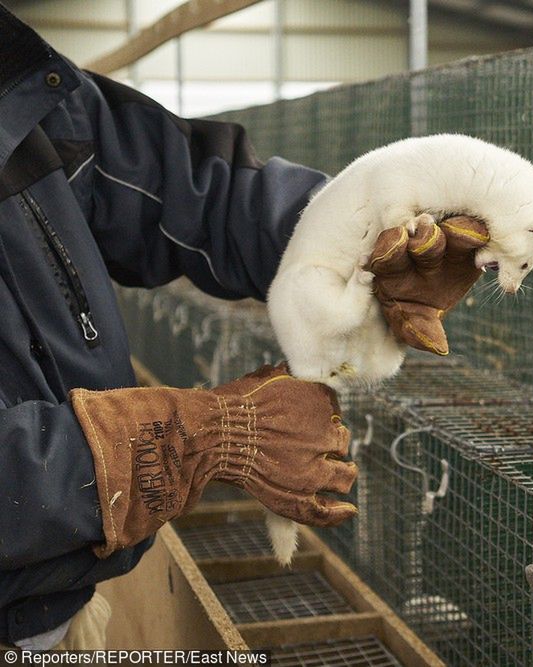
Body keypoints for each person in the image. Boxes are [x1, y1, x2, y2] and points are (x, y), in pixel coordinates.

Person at [0, 3, 482, 651]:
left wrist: (351, 239)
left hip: (54, 606)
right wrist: (204, 436)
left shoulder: (16, 83)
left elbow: (179, 185)